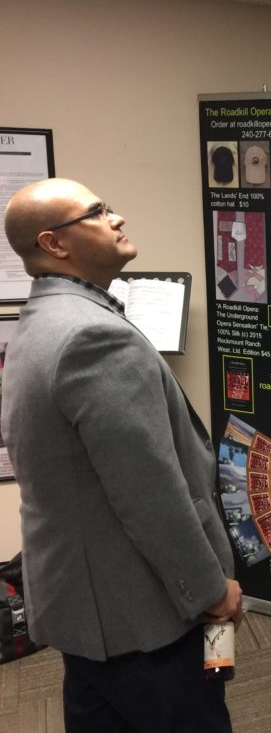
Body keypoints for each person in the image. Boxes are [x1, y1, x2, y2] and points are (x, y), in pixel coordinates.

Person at [1, 178, 243, 732]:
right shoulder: (92, 338)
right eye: (97, 212)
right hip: (143, 617)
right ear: (55, 244)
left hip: (89, 611)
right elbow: (150, 494)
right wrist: (211, 592)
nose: (118, 218)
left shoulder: (41, 323)